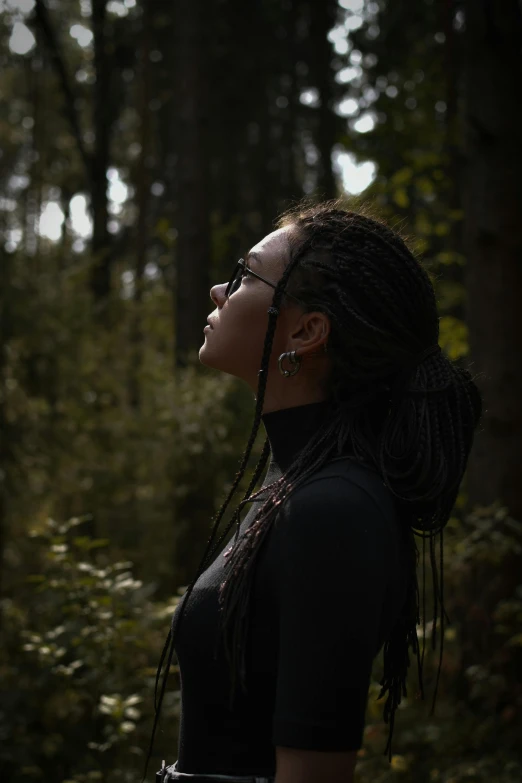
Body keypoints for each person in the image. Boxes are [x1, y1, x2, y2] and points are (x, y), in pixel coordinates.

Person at [146, 201, 482, 783]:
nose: (217, 290)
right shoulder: (297, 486)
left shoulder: (333, 510)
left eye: (246, 276)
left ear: (306, 332)